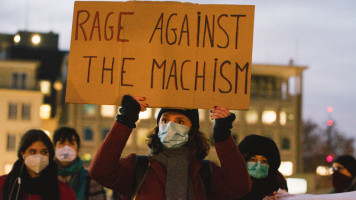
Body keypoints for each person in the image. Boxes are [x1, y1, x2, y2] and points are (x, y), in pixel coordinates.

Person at [89, 95, 251, 200]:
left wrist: (222, 136)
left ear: (192, 130)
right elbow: (100, 172)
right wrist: (125, 120)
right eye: (165, 120)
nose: (170, 126)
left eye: (180, 121)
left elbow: (239, 186)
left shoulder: (206, 172)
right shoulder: (137, 168)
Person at [0, 129, 76, 200]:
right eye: (32, 152)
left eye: (44, 152)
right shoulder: (4, 184)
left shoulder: (64, 191)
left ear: (50, 155)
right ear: (23, 154)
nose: (38, 156)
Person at [53, 127, 107, 200]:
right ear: (54, 148)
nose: (66, 148)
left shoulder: (91, 180)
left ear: (78, 150)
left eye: (71, 144)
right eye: (61, 143)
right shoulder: (46, 177)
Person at [236, 134, 288, 200]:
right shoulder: (233, 187)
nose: (258, 165)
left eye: (263, 161)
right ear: (244, 163)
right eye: (253, 160)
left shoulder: (278, 185)